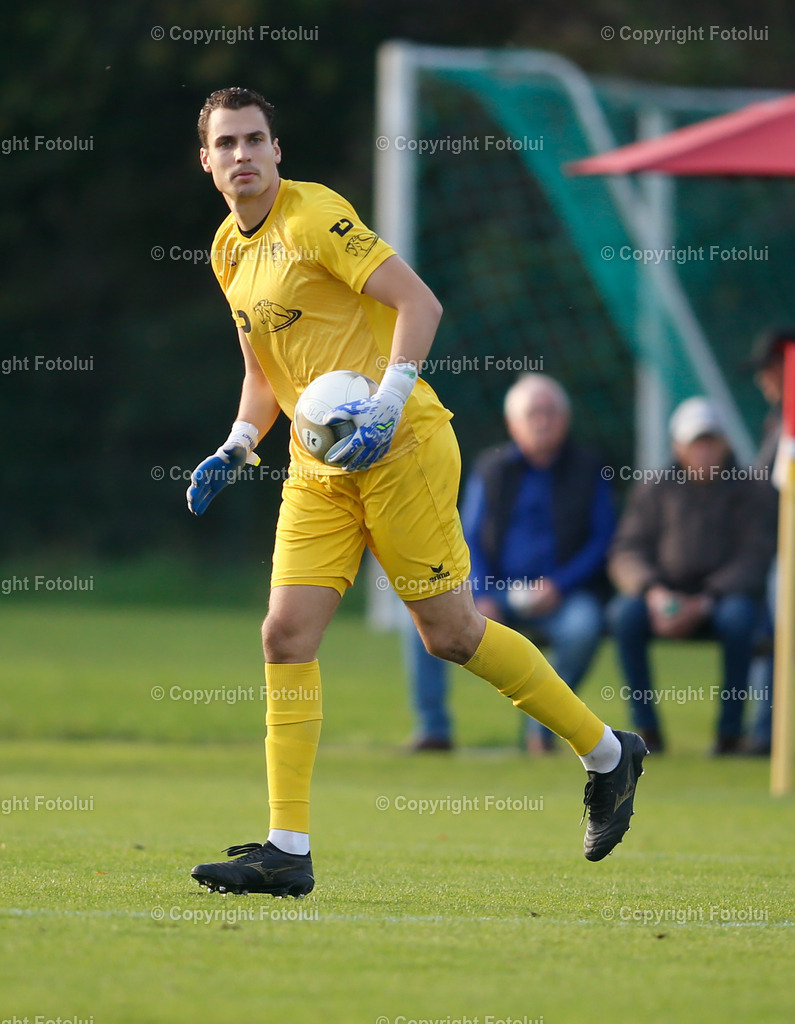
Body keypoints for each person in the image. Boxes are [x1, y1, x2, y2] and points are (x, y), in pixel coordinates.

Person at [186, 86, 647, 897]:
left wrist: (387, 402)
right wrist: (235, 443)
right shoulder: (227, 248)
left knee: (452, 635)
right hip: (318, 469)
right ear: (207, 161)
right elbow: (264, 371)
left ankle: (608, 753)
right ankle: (286, 851)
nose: (243, 155)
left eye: (256, 139)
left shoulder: (314, 215)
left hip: (401, 448)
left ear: (277, 150)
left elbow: (418, 302)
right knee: (283, 635)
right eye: (226, 144)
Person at [404, 374, 616, 754]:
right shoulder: (491, 468)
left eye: (551, 412)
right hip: (495, 594)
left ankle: (542, 727)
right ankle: (433, 729)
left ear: (565, 420)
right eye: (533, 413)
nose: (543, 420)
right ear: (513, 424)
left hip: (563, 595)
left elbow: (602, 542)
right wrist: (482, 592)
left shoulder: (590, 468)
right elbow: (465, 536)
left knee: (584, 627)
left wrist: (559, 586)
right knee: (421, 620)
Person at [607, 397, 775, 755]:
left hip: (723, 599)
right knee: (624, 615)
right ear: (678, 447)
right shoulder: (654, 489)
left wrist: (705, 600)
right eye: (695, 442)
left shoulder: (749, 491)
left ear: (724, 444)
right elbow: (626, 551)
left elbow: (755, 558)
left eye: (710, 441)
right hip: (663, 598)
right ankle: (646, 731)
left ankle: (729, 734)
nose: (703, 451)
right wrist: (653, 591)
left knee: (739, 617)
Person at [744, 328, 791, 754]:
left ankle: (766, 732)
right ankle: (764, 732)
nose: (763, 380)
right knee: (768, 634)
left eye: (769, 369)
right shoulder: (777, 421)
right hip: (775, 551)